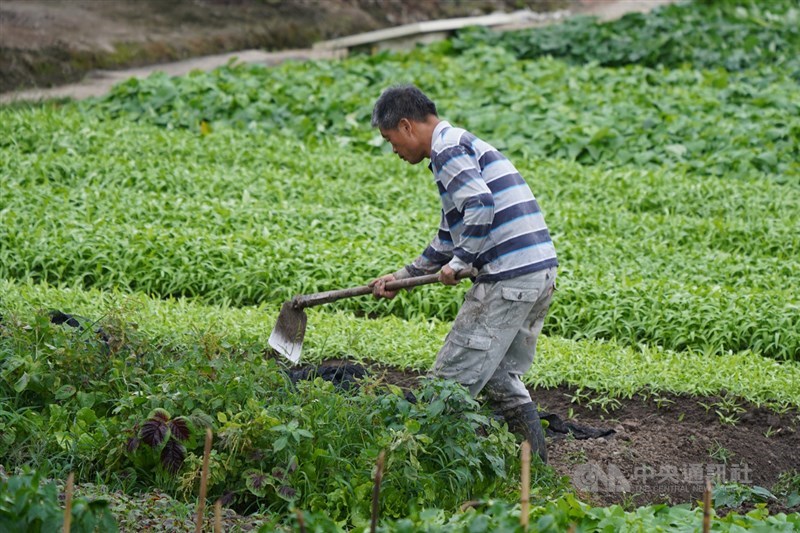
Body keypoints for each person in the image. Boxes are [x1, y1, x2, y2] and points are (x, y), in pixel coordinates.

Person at [368, 84, 558, 463]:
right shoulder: (458, 146)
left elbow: (480, 204)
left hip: (508, 277)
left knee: (448, 381)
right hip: (537, 273)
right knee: (501, 378)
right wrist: (402, 276)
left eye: (390, 139)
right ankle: (535, 469)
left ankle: (419, 469)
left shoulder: (447, 149)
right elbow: (447, 237)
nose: (393, 150)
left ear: (407, 126)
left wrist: (461, 261)